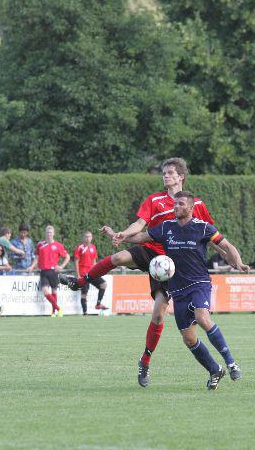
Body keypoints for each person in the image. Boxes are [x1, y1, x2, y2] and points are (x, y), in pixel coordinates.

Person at [59, 157, 220, 387]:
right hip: (152, 253)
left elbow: (210, 233)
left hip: (176, 264)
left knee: (158, 316)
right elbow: (139, 224)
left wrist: (226, 252)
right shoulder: (154, 200)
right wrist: (123, 234)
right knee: (118, 257)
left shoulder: (197, 204)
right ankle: (82, 281)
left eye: (171, 173)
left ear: (181, 176)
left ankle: (145, 361)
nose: (166, 176)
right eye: (164, 172)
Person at [121, 191, 248, 390]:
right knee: (189, 338)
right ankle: (215, 370)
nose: (175, 207)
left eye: (180, 204)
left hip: (199, 283)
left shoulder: (203, 227)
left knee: (203, 318)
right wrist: (122, 236)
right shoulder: (166, 227)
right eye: (175, 203)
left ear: (190, 208)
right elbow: (143, 236)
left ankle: (232, 363)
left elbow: (227, 245)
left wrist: (239, 263)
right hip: (177, 289)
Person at [27, 225, 70, 317]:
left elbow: (67, 257)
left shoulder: (58, 245)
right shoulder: (40, 245)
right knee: (45, 291)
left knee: (54, 292)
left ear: (53, 234)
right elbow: (37, 258)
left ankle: (54, 312)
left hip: (53, 271)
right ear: (45, 233)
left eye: (50, 232)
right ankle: (59, 308)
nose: (49, 234)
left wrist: (61, 266)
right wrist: (31, 266)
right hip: (43, 271)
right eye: (47, 232)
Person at [72, 231, 108, 315]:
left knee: (103, 284)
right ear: (83, 238)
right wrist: (78, 275)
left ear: (91, 238)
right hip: (83, 274)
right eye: (86, 237)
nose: (88, 238)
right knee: (84, 294)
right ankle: (85, 313)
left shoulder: (93, 248)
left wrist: (98, 272)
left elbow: (94, 261)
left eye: (89, 237)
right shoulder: (79, 248)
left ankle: (98, 304)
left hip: (92, 273)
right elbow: (76, 262)